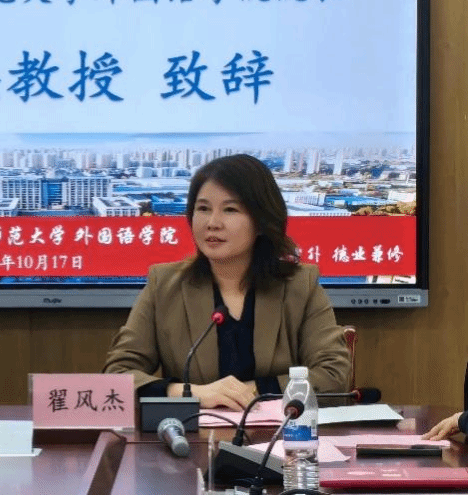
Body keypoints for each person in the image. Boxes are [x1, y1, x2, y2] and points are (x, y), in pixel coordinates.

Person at [103, 153, 351, 410]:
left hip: (277, 432)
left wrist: (248, 392)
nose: (212, 223)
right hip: (192, 434)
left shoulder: (300, 286)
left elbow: (333, 376)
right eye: (203, 209)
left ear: (261, 221)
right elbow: (117, 376)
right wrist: (192, 393)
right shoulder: (164, 285)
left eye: (230, 210)